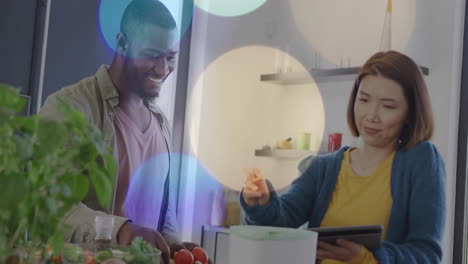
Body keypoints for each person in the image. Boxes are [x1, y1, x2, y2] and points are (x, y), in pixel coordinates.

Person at [39, 1, 208, 263]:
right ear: (122, 44)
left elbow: (163, 215)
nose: (163, 69)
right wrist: (122, 230)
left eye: (170, 57)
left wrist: (173, 245)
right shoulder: (69, 108)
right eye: (152, 54)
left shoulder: (161, 124)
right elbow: (49, 207)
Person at [241, 50, 446, 264]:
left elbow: (427, 255)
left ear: (410, 114)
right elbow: (281, 223)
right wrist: (261, 203)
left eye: (388, 106)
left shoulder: (421, 161)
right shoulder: (322, 167)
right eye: (364, 100)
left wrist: (363, 258)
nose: (371, 115)